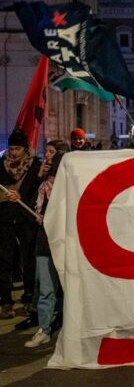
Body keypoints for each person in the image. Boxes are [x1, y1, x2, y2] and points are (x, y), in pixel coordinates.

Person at [14, 139, 69, 331]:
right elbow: (29, 200)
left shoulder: (67, 180)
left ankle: (58, 319)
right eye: (47, 152)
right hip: (41, 237)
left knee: (60, 284)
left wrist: (49, 218)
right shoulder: (41, 177)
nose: (46, 155)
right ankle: (43, 325)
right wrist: (38, 177)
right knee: (43, 284)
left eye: (51, 152)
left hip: (60, 237)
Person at [0, 130, 42, 319]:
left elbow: (37, 190)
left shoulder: (35, 167)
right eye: (12, 148)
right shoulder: (1, 164)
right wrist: (6, 195)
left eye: (18, 148)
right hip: (5, 217)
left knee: (28, 259)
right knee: (4, 259)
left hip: (26, 218)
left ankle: (28, 297)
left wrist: (21, 196)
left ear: (25, 149)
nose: (14, 152)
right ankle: (6, 301)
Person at [24, 152, 65, 348]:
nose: (47, 167)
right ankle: (44, 329)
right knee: (46, 290)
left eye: (50, 164)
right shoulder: (42, 188)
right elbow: (32, 207)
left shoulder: (67, 190)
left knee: (67, 289)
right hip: (45, 244)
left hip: (65, 244)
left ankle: (64, 325)